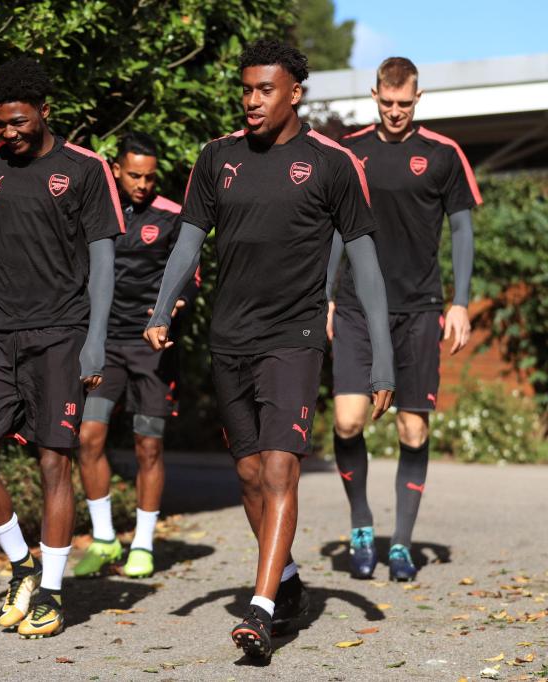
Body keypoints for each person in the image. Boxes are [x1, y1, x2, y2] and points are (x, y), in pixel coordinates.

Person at [144, 39, 395, 660]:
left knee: (281, 468)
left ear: (294, 95)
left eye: (265, 90)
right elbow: (188, 243)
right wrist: (159, 307)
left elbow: (365, 263)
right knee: (251, 475)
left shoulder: (332, 163)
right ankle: (285, 583)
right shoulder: (217, 158)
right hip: (229, 336)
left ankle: (258, 611)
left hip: (296, 334)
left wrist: (382, 355)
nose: (252, 101)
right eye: (248, 89)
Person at [0, 57, 124, 639]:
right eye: (0, 125)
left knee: (52, 463)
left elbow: (103, 262)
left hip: (62, 336)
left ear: (45, 112)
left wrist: (95, 340)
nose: (8, 134)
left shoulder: (85, 169)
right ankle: (23, 565)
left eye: (18, 122)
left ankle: (54, 592)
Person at [326, 56, 481, 582]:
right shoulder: (350, 153)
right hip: (353, 307)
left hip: (418, 309)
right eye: (387, 102)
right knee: (348, 420)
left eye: (404, 103)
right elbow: (332, 231)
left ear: (418, 99)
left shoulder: (442, 154)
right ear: (375, 96)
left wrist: (460, 301)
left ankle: (402, 546)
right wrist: (325, 295)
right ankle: (363, 524)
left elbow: (461, 230)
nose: (395, 112)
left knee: (413, 430)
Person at [73, 132, 199, 580]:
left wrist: (175, 305)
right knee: (88, 438)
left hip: (151, 348)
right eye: (134, 176)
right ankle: (105, 539)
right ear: (116, 169)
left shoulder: (172, 217)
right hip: (104, 346)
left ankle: (143, 544)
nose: (143, 185)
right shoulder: (95, 212)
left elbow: (189, 275)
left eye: (149, 177)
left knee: (148, 444)